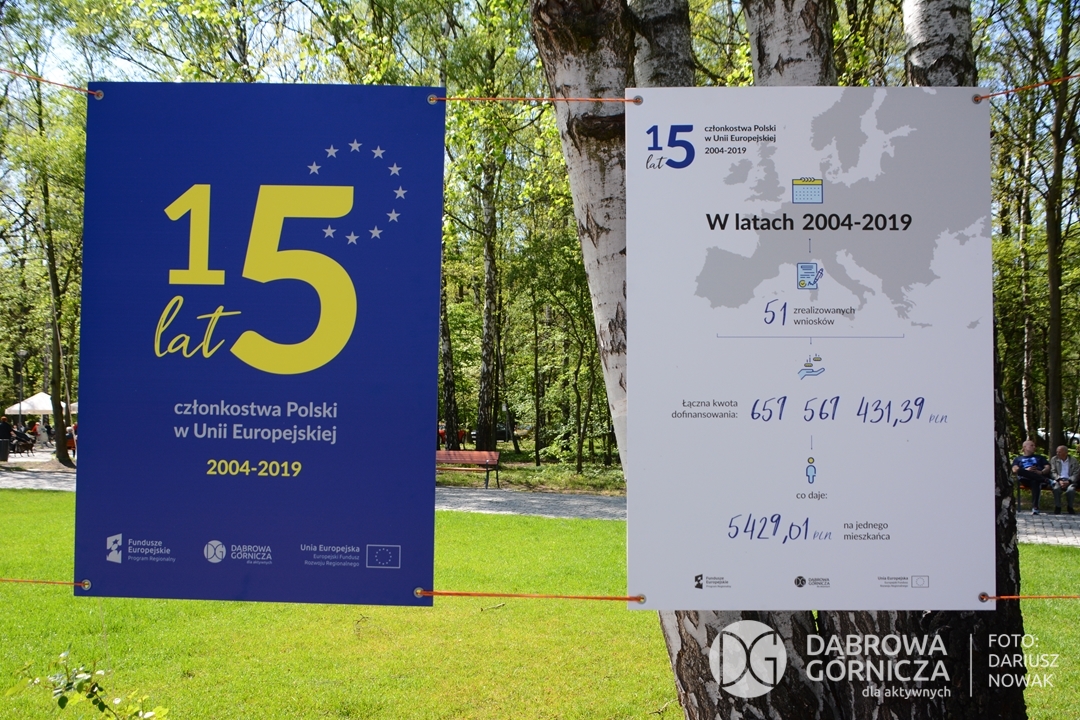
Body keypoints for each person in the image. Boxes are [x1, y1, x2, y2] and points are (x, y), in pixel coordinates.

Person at [1012, 439, 1051, 515]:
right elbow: (1014, 469)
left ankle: (1035, 508)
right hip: (1025, 478)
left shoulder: (1039, 457)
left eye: (1034, 445)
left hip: (1037, 477)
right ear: (1025, 447)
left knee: (1035, 481)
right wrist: (1027, 470)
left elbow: (1047, 467)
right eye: (1031, 445)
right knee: (1020, 471)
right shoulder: (1018, 459)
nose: (1034, 447)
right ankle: (1047, 480)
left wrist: (1041, 472)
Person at [1049, 445, 1078, 515]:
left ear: (1066, 453)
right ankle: (1058, 507)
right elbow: (1052, 471)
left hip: (1070, 480)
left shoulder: (1073, 460)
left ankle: (1070, 507)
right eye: (1057, 452)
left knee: (1071, 490)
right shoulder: (1054, 459)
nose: (1057, 453)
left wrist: (1069, 481)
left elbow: (1076, 473)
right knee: (1056, 489)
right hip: (1058, 480)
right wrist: (1059, 479)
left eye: (1059, 452)